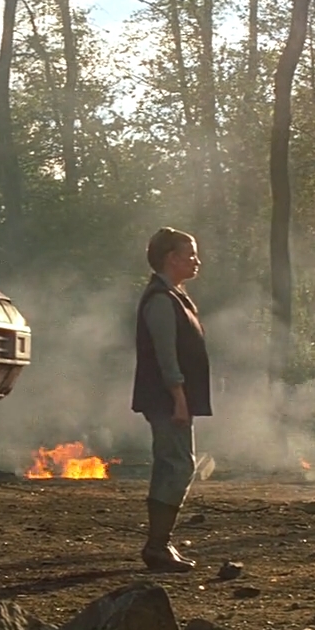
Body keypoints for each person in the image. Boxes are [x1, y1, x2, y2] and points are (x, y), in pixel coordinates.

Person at [131, 227, 210, 573]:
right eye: (190, 254)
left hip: (173, 398)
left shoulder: (175, 296)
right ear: (171, 259)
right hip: (167, 399)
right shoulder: (162, 301)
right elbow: (166, 356)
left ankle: (160, 544)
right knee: (176, 465)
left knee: (175, 464)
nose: (196, 260)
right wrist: (178, 397)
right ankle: (158, 546)